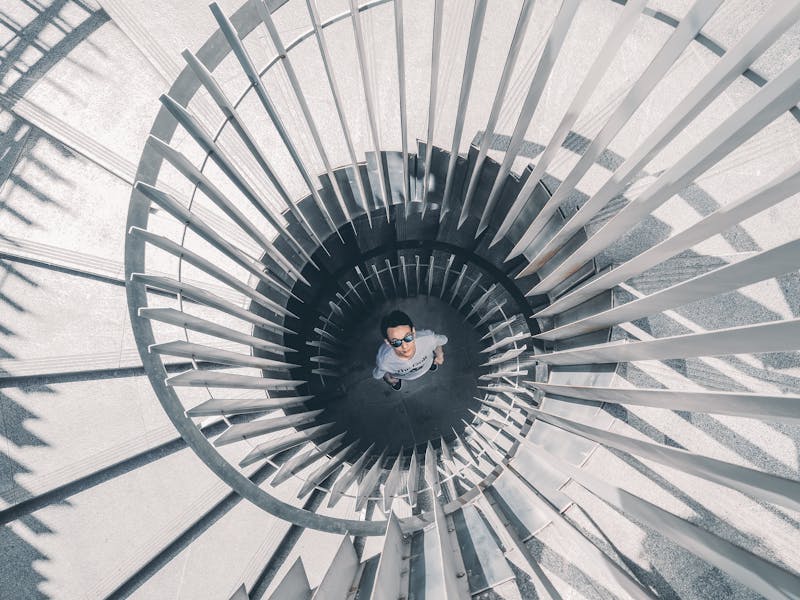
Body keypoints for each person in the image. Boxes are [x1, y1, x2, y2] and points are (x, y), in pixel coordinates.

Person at [372, 309, 448, 390]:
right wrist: (387, 377)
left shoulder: (428, 338)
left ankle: (431, 365)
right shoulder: (384, 360)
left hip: (427, 363)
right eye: (396, 342)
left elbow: (442, 340)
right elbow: (377, 375)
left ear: (414, 332)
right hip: (405, 376)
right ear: (388, 342)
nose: (404, 346)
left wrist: (439, 353)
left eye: (408, 337)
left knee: (429, 362)